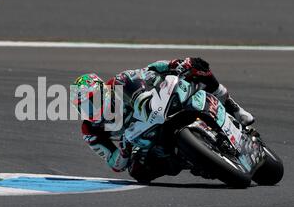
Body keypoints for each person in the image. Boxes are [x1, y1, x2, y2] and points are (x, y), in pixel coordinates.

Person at [70, 57, 254, 183]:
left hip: (162, 105)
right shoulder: (91, 130)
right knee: (137, 172)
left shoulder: (122, 80)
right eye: (83, 107)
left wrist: (175, 64)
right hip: (145, 135)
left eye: (92, 102)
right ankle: (190, 160)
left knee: (198, 67)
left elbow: (151, 69)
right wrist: (125, 150)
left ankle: (234, 108)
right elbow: (115, 164)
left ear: (104, 92)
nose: (90, 110)